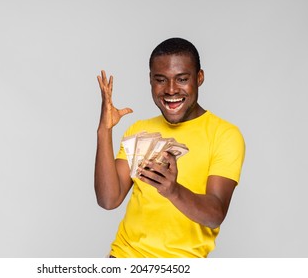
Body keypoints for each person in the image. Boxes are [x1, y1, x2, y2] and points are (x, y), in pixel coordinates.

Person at [94, 37, 245, 258]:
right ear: (150, 80)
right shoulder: (139, 129)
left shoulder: (225, 135)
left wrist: (172, 191)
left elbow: (215, 214)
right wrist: (104, 131)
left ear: (199, 78)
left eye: (182, 79)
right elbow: (109, 200)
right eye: (161, 80)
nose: (171, 90)